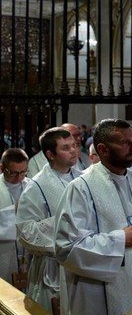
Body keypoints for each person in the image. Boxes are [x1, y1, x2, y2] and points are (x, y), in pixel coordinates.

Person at [54, 119, 132, 314]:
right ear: (103, 149)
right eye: (124, 142)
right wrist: (122, 239)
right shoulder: (81, 188)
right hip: (96, 294)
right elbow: (67, 248)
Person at [16, 127, 81, 311]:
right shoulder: (37, 185)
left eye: (74, 146)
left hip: (81, 263)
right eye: (66, 148)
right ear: (50, 154)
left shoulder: (82, 178)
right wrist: (64, 224)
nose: (74, 151)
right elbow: (25, 231)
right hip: (51, 269)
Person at [0, 148, 31, 284]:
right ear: (2, 168)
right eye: (14, 173)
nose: (19, 177)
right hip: (5, 253)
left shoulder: (31, 186)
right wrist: (15, 210)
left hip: (27, 250)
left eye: (23, 172)